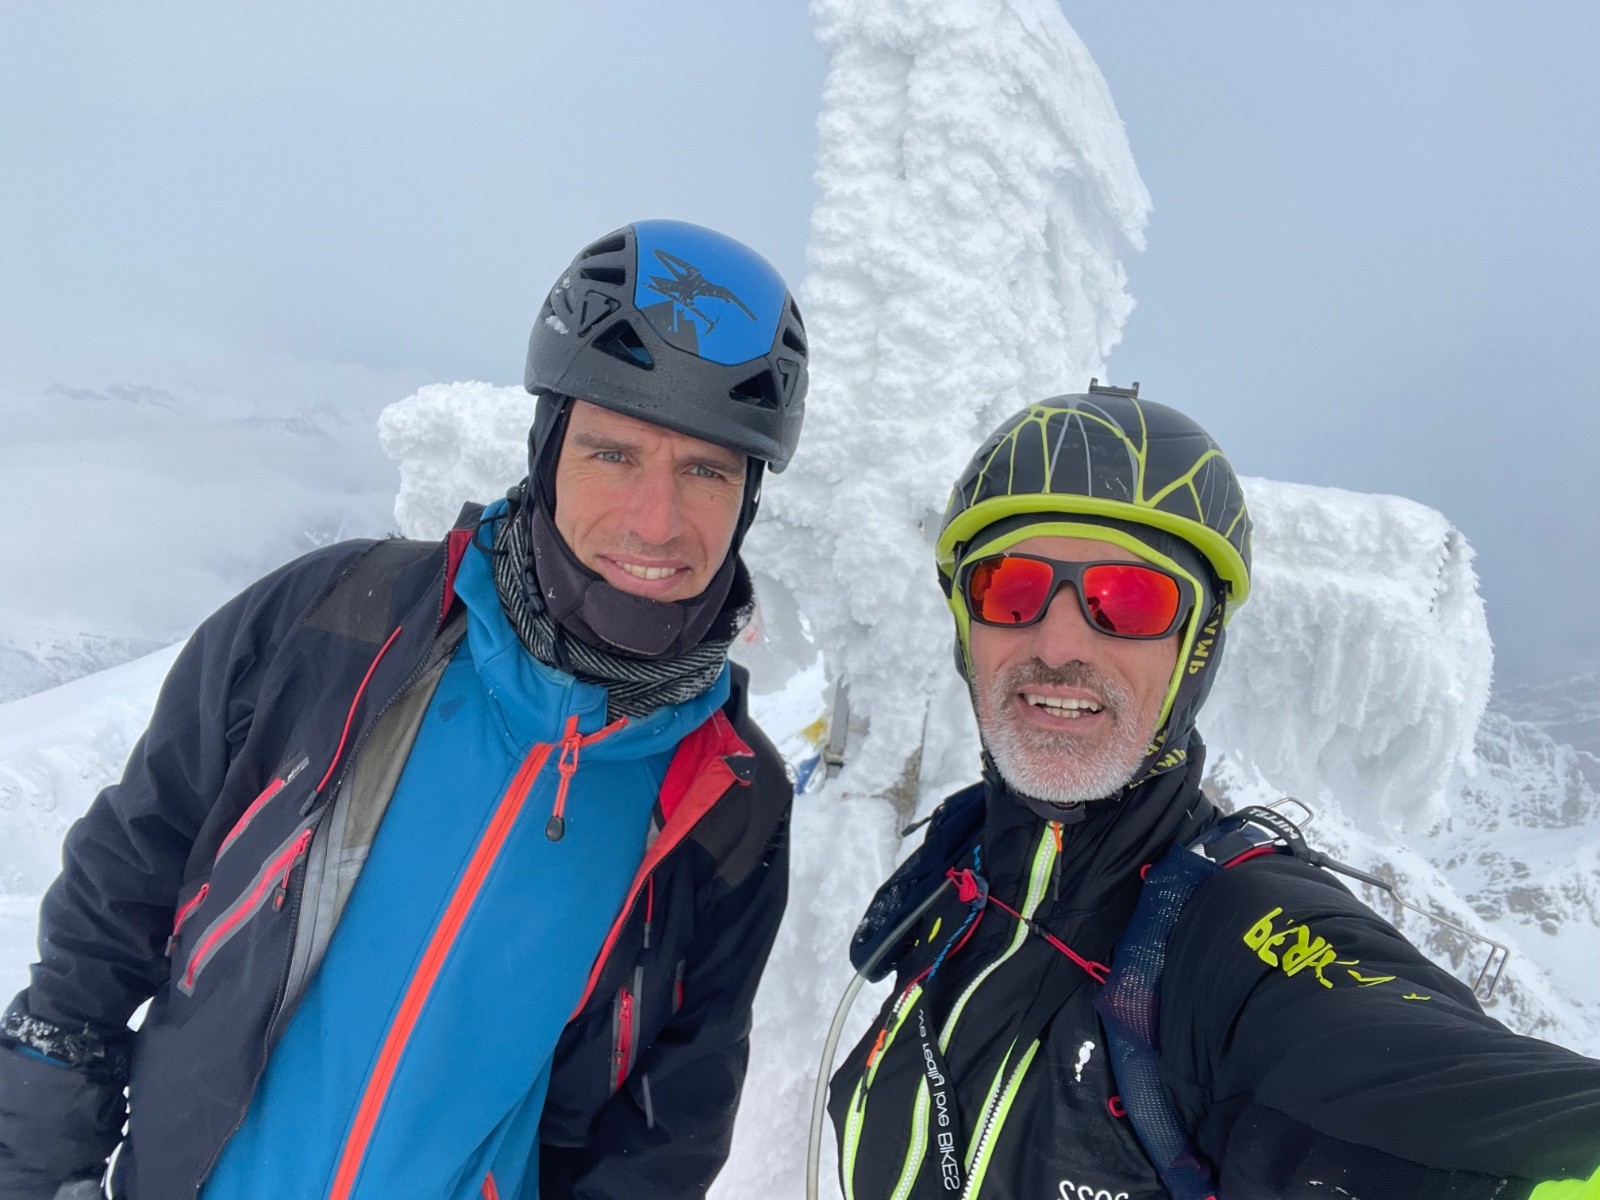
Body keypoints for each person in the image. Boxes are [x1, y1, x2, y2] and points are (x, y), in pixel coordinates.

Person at [0, 219, 809, 1200]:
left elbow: (665, 1126)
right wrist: (39, 1160)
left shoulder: (728, 801)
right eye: (613, 453)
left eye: (706, 469)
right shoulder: (331, 621)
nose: (656, 520)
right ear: (548, 447)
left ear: (748, 496)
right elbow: (121, 886)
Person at [829, 383, 1600, 1200]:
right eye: (1008, 589)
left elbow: (1470, 1112)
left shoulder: (1237, 946)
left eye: (1129, 600)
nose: (1056, 643)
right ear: (966, 628)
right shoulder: (962, 869)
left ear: (1197, 649)